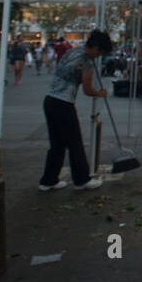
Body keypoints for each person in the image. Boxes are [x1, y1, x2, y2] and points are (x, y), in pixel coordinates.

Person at [38, 29, 110, 192]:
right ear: (96, 47)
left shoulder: (71, 52)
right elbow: (87, 89)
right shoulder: (87, 62)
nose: (99, 55)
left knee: (57, 144)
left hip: (50, 100)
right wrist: (100, 93)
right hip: (64, 104)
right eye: (100, 52)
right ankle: (82, 180)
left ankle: (48, 180)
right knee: (75, 143)